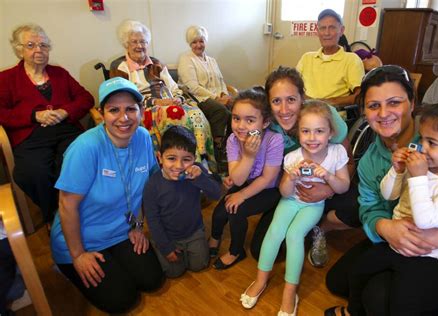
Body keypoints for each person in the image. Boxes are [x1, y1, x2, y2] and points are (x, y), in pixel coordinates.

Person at [325, 65, 438, 316]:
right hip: (397, 239)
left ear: (412, 103)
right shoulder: (372, 159)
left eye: (394, 102)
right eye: (373, 106)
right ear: (363, 111)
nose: (384, 113)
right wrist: (386, 228)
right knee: (339, 281)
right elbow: (371, 207)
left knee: (380, 297)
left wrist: (428, 240)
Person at [50, 77, 164, 314]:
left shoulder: (143, 138)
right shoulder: (85, 148)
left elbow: (143, 189)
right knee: (122, 300)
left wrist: (138, 226)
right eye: (114, 110)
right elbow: (66, 205)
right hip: (82, 239)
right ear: (101, 113)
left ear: (141, 111)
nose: (124, 118)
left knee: (152, 281)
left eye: (130, 109)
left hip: (122, 231)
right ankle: (65, 267)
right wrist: (78, 255)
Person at [241, 101, 350, 315]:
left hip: (313, 205)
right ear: (298, 133)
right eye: (306, 131)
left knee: (294, 235)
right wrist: (291, 177)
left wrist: (327, 176)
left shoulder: (337, 152)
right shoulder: (293, 157)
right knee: (274, 232)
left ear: (330, 133)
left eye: (319, 131)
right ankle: (260, 279)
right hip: (290, 201)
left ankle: (290, 291)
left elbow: (344, 186)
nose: (312, 137)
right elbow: (284, 193)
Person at [249, 66, 359, 269]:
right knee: (263, 251)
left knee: (356, 207)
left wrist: (327, 190)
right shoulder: (268, 125)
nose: (284, 110)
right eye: (276, 101)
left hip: (329, 183)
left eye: (291, 99)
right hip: (292, 194)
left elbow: (349, 163)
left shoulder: (326, 115)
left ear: (302, 97)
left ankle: (320, 229)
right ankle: (300, 227)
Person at [0, 24, 94, 225]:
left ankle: (81, 209)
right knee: (32, 172)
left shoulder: (60, 73)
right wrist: (34, 116)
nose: (38, 50)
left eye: (43, 45)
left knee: (74, 162)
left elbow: (86, 98)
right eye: (31, 45)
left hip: (66, 131)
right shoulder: (6, 79)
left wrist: (64, 111)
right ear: (19, 49)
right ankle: (55, 214)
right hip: (30, 136)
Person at [109, 20, 216, 172]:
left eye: (143, 42)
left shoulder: (156, 63)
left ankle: (200, 163)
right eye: (134, 42)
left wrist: (178, 97)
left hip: (170, 101)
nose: (139, 46)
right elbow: (123, 96)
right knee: (174, 115)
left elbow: (172, 85)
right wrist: (157, 101)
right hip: (145, 107)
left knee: (197, 115)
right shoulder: (119, 66)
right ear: (126, 44)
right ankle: (176, 167)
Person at [208, 87, 284, 269]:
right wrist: (247, 157)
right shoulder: (233, 140)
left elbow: (267, 178)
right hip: (247, 182)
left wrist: (241, 195)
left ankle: (236, 251)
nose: (241, 126)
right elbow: (238, 179)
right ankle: (214, 237)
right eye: (236, 118)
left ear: (265, 122)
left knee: (236, 209)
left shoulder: (275, 140)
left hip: (270, 189)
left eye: (250, 120)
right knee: (219, 212)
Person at [143, 125, 222, 278]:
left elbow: (216, 194)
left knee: (199, 265)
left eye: (186, 159)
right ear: (160, 157)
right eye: (171, 158)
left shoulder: (196, 171)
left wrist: (200, 178)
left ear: (194, 158)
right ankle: (157, 246)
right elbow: (153, 220)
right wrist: (165, 247)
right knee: (173, 272)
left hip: (194, 232)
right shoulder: (152, 185)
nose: (179, 166)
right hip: (168, 236)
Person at [296, 9, 364, 108]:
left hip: (333, 115)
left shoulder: (351, 59)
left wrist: (327, 103)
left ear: (341, 30)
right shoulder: (306, 58)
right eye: (323, 28)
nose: (327, 33)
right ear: (317, 31)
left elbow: (360, 95)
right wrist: (310, 102)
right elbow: (293, 87)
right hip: (304, 111)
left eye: (332, 28)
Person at [178, 25, 232, 149]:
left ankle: (231, 146)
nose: (198, 45)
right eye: (194, 42)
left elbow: (221, 81)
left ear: (205, 42)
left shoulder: (212, 60)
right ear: (189, 44)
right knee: (221, 111)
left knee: (237, 107)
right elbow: (192, 86)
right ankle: (216, 147)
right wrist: (217, 98)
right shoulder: (186, 59)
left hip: (217, 97)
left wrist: (224, 95)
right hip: (198, 98)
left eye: (201, 41)